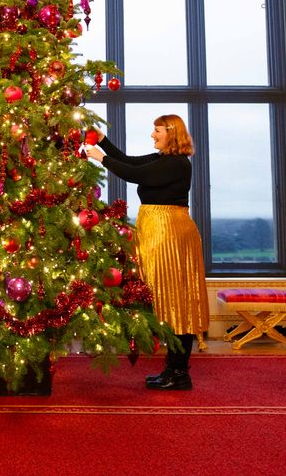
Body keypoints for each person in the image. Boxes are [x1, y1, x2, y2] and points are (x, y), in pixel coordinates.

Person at [85, 114, 209, 390]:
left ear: (171, 132)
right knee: (168, 298)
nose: (153, 135)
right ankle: (173, 370)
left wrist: (100, 158)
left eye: (157, 131)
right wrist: (103, 142)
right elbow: (130, 161)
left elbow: (134, 174)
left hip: (170, 234)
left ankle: (179, 373)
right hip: (158, 230)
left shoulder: (177, 164)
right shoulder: (163, 160)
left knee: (178, 300)